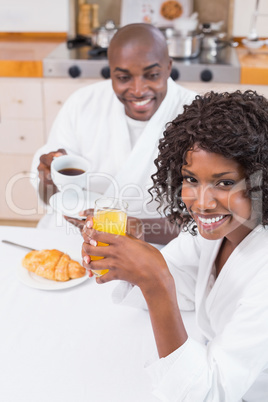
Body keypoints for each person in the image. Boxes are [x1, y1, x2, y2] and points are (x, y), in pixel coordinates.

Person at [82, 90, 268, 401]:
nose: (203, 203)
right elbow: (180, 281)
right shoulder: (216, 233)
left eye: (224, 183)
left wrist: (155, 282)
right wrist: (134, 256)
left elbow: (207, 395)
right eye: (191, 179)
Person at [31, 23, 196, 244]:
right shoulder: (83, 104)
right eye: (123, 78)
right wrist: (48, 178)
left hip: (157, 247)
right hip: (74, 238)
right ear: (111, 73)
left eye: (152, 75)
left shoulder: (196, 115)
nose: (138, 90)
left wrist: (127, 226)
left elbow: (207, 220)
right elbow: (50, 199)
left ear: (169, 67)